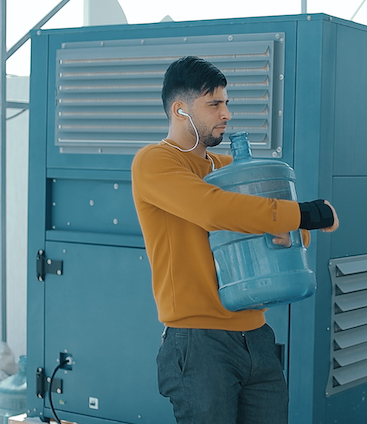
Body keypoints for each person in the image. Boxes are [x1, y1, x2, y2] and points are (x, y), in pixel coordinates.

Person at [131, 56, 339, 424]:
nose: (226, 113)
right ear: (180, 110)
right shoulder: (154, 162)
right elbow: (215, 209)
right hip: (198, 343)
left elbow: (272, 224)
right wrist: (305, 213)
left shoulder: (227, 169)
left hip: (256, 335)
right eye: (214, 104)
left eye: (226, 103)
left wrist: (298, 228)